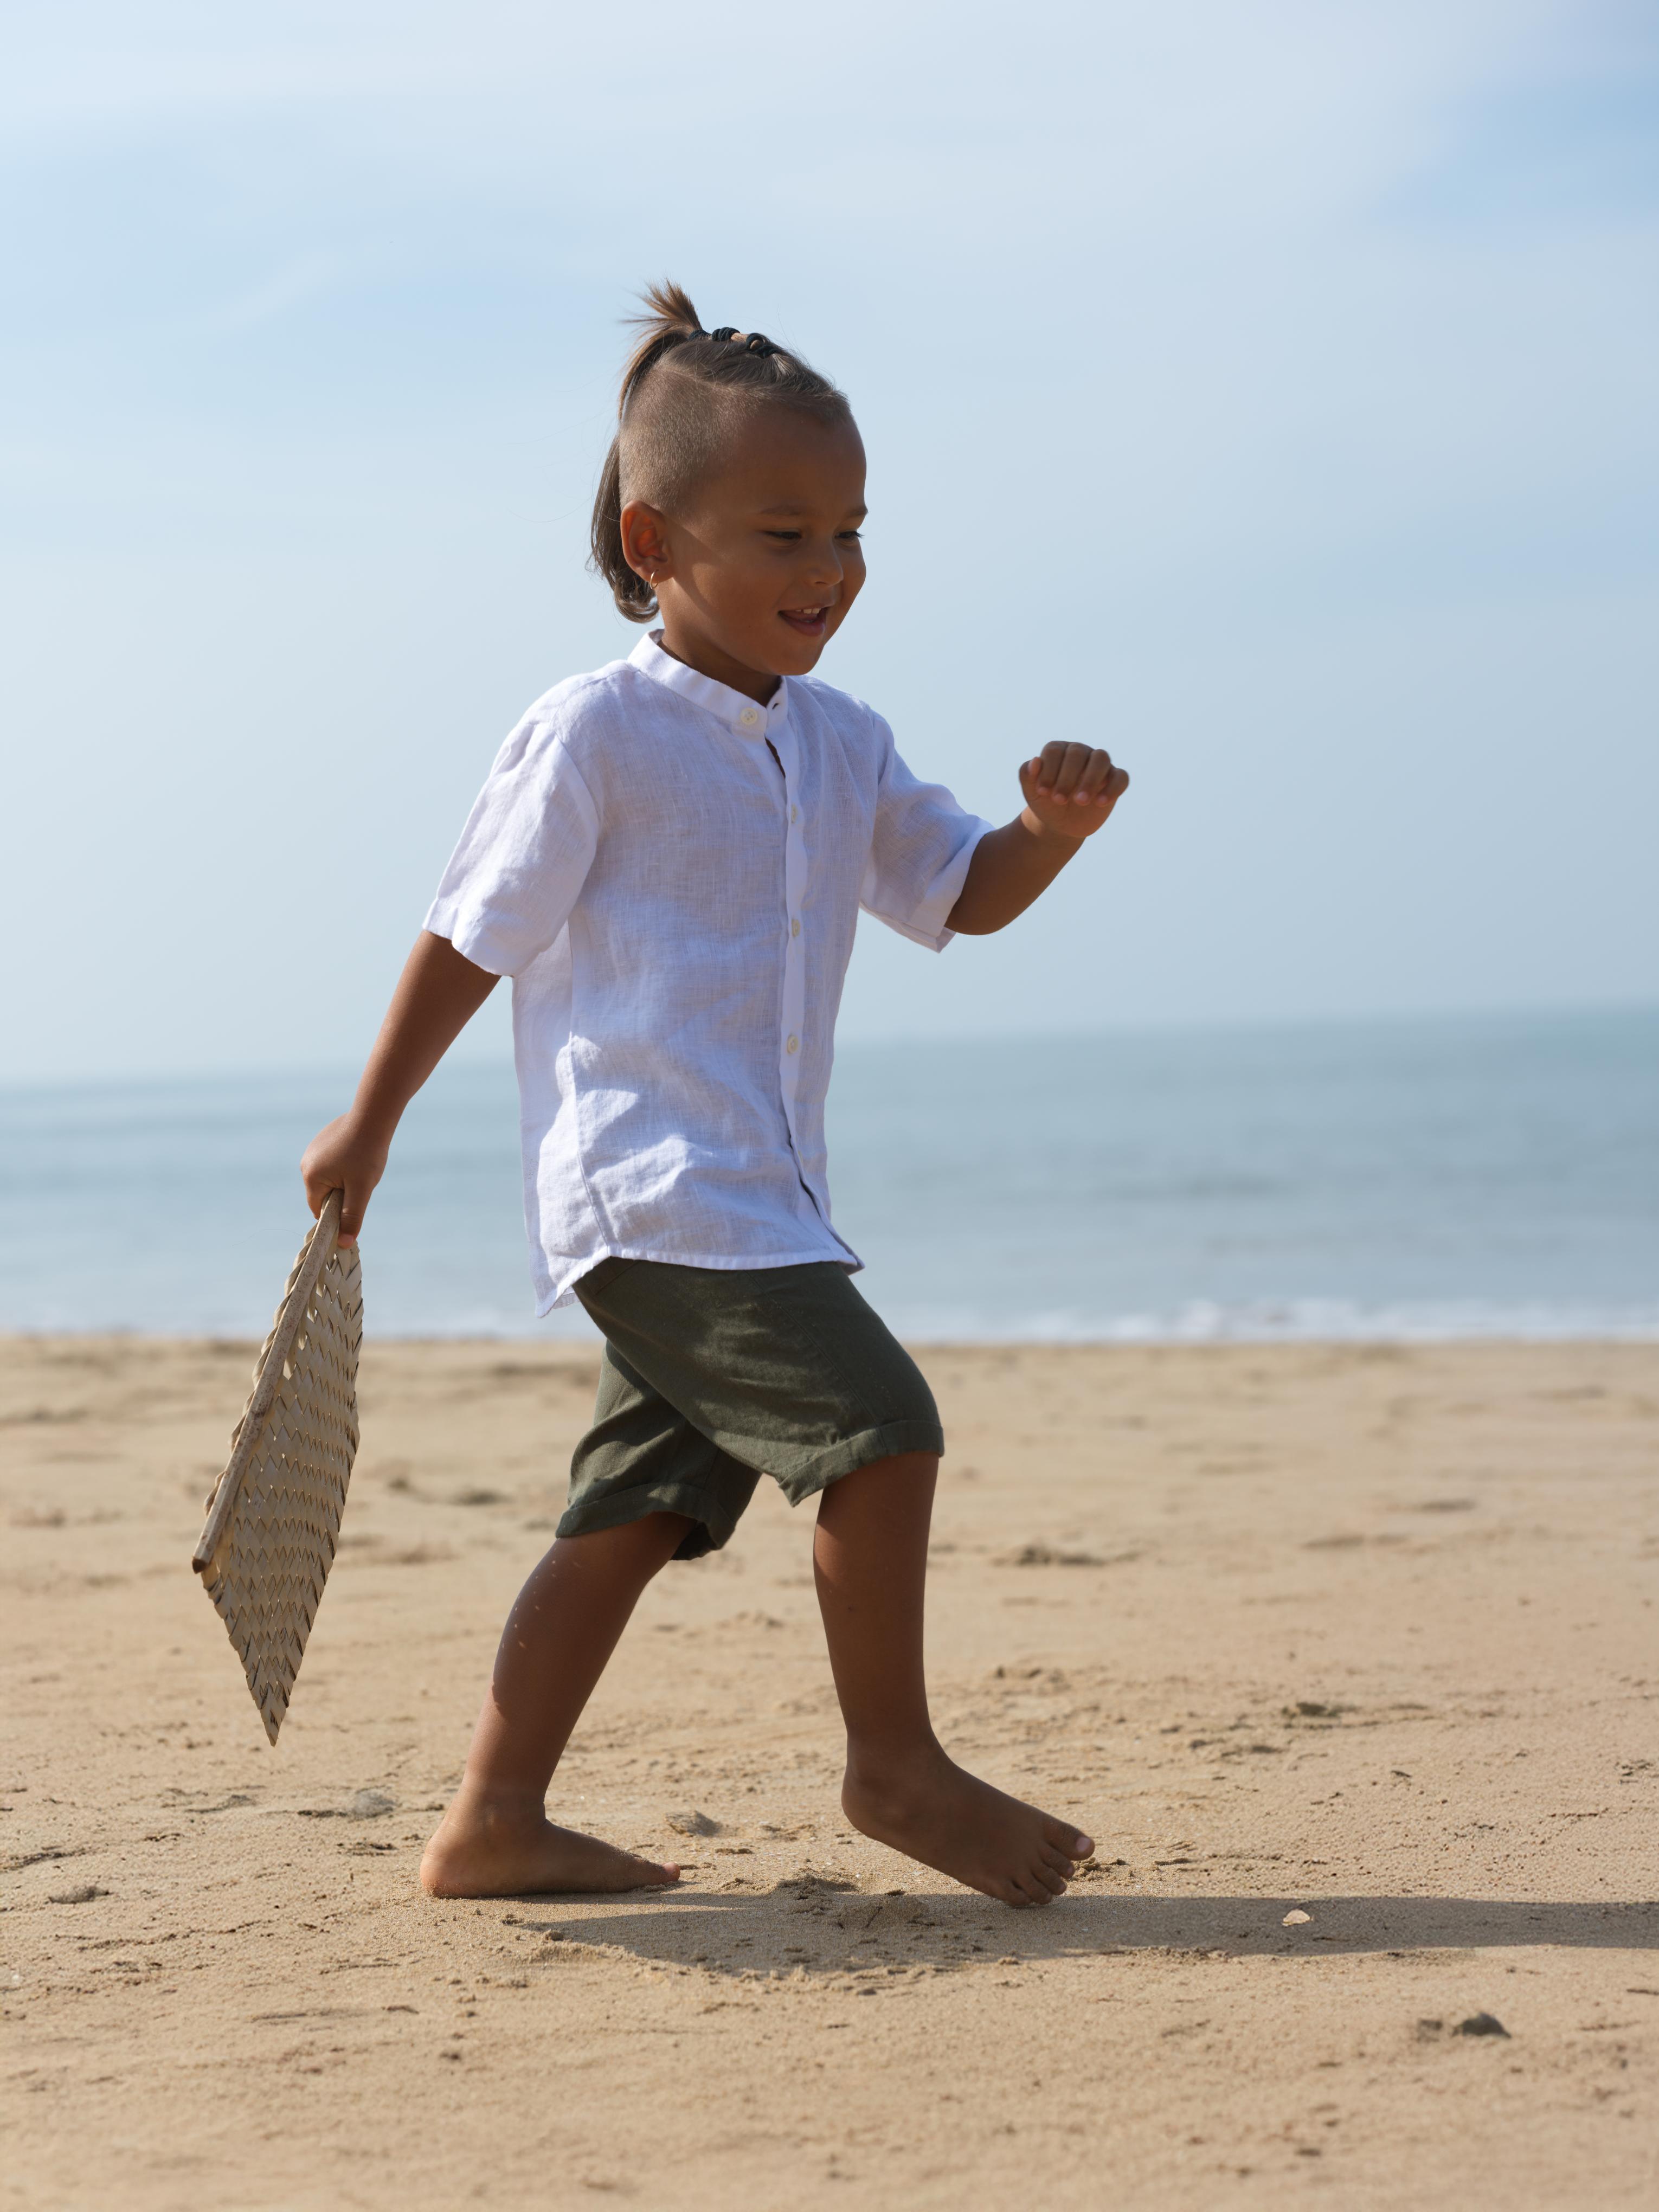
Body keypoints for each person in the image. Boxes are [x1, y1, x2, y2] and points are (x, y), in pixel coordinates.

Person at [300, 284, 1129, 1909]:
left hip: (759, 1185)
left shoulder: (840, 739)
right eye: (783, 532)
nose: (830, 566)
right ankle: (893, 1765)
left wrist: (1045, 837)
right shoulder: (594, 732)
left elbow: (957, 893)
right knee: (880, 1430)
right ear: (654, 540)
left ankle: (491, 1819)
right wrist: (370, 1119)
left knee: (634, 1506)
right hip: (655, 1183)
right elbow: (472, 934)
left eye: (850, 529)